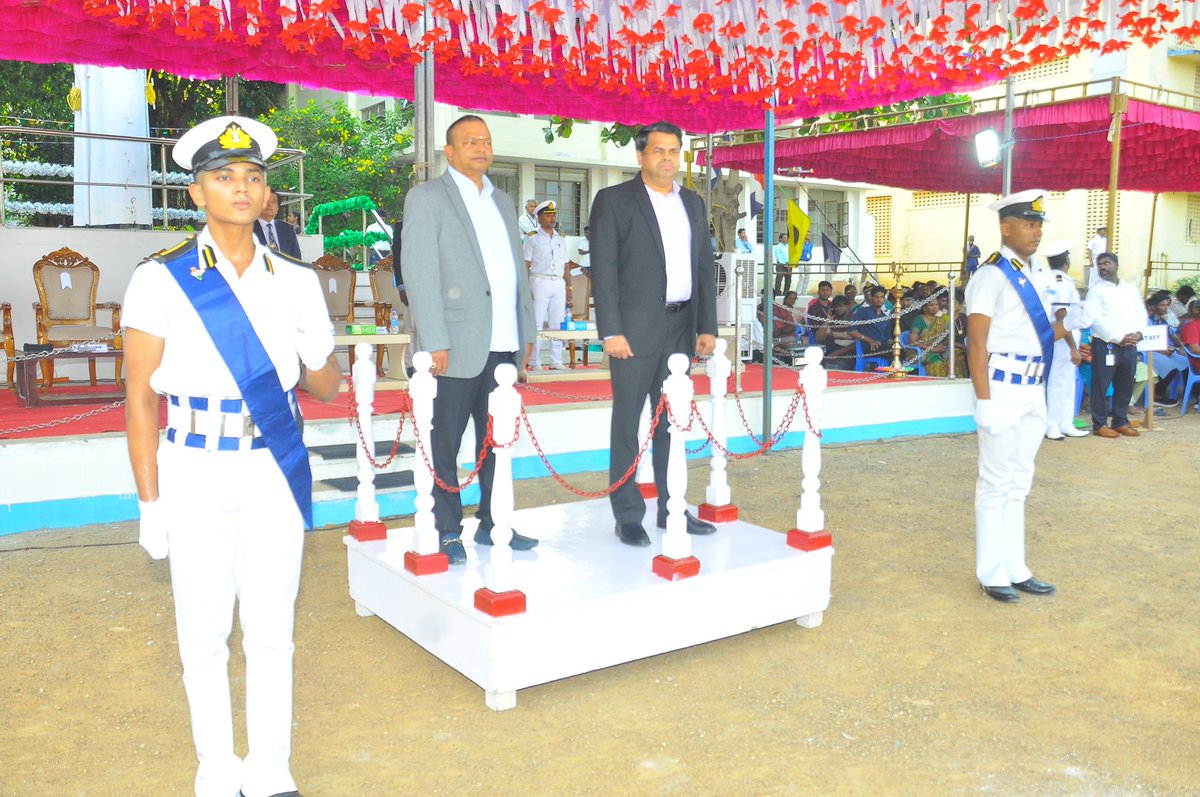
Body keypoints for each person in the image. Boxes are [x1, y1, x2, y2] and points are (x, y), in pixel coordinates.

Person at [123, 115, 343, 797]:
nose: (240, 188)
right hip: (192, 465)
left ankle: (270, 768)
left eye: (252, 177)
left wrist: (322, 352)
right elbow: (136, 398)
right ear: (197, 192)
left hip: (271, 464)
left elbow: (324, 383)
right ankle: (217, 771)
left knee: (273, 628)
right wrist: (149, 500)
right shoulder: (160, 280)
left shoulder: (297, 280)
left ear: (266, 192)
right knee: (205, 633)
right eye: (224, 177)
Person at [402, 114, 539, 563]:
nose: (480, 148)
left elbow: (517, 271)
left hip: (502, 342)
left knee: (497, 440)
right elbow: (420, 274)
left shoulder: (502, 200)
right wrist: (433, 339)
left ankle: (494, 521)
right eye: (469, 141)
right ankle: (447, 530)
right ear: (451, 151)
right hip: (454, 344)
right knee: (446, 442)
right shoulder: (427, 199)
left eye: (486, 140)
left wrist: (526, 331)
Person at [590, 121, 718, 546]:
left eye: (674, 150)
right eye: (659, 151)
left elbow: (704, 267)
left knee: (671, 423)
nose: (667, 158)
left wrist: (707, 326)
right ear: (641, 156)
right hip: (632, 330)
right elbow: (604, 270)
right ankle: (627, 513)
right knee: (628, 422)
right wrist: (610, 329)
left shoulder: (694, 204)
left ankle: (672, 506)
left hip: (682, 328)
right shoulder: (614, 201)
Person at [965, 188, 1079, 604]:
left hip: (1034, 389)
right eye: (1029, 224)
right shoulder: (990, 275)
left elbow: (1040, 332)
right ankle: (991, 572)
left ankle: (1016, 567)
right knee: (994, 482)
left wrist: (1070, 332)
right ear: (1006, 227)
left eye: (1039, 225)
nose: (1036, 232)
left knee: (1019, 480)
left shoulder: (1039, 275)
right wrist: (984, 401)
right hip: (1002, 386)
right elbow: (976, 344)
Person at [1084, 252, 1144, 438]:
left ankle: (1119, 422)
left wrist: (1139, 332)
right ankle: (1100, 424)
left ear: (1116, 265)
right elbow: (1094, 319)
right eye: (1099, 264)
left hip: (1130, 346)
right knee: (1101, 386)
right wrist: (1118, 337)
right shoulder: (1096, 291)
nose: (1102, 267)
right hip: (1107, 345)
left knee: (1126, 385)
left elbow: (1140, 314)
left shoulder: (1130, 289)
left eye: (1106, 263)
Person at [1034, 240, 1087, 439]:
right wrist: (1073, 347)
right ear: (1067, 260)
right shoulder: (1061, 281)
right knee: (1059, 380)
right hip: (1062, 338)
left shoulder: (1046, 278)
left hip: (1060, 336)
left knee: (1066, 380)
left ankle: (1065, 422)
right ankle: (1052, 425)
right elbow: (1062, 315)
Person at [524, 199, 571, 371]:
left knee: (557, 323)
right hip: (539, 280)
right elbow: (526, 264)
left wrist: (569, 287)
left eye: (554, 214)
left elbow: (566, 265)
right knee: (536, 323)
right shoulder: (532, 238)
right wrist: (525, 287)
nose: (552, 218)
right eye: (548, 215)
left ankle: (556, 360)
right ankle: (534, 361)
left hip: (558, 282)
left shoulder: (561, 238)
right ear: (539, 217)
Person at [1145, 289, 1188, 406]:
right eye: (1162, 305)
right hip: (1148, 352)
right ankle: (1157, 395)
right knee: (1171, 366)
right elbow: (1144, 342)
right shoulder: (1146, 321)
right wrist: (1162, 350)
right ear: (1152, 306)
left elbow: (1173, 336)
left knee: (1185, 362)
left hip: (1162, 350)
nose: (1166, 308)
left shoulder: (1162, 321)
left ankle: (1190, 394)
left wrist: (1180, 346)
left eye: (1167, 305)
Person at [253, 186, 302, 258]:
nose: (269, 204)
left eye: (273, 202)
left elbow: (296, 258)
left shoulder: (288, 229)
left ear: (277, 208)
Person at [909, 292, 950, 376]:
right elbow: (912, 342)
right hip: (920, 352)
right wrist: (931, 349)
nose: (935, 307)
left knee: (952, 360)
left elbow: (944, 338)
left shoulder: (940, 320)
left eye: (936, 304)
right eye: (931, 305)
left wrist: (941, 347)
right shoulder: (919, 320)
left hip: (937, 351)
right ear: (924, 307)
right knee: (937, 363)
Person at [814, 295, 856, 370]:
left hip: (848, 350)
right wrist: (828, 320)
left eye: (841, 306)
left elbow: (857, 342)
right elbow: (819, 339)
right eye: (836, 307)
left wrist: (838, 352)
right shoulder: (834, 320)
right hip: (833, 348)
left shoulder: (854, 319)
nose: (838, 309)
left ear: (847, 306)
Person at [851, 285, 893, 360]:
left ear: (884, 299)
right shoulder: (862, 311)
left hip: (883, 347)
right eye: (876, 297)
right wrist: (870, 341)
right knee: (895, 352)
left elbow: (888, 337)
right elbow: (851, 331)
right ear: (871, 298)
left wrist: (893, 343)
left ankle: (896, 370)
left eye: (882, 297)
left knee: (899, 349)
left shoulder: (885, 317)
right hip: (869, 348)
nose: (879, 299)